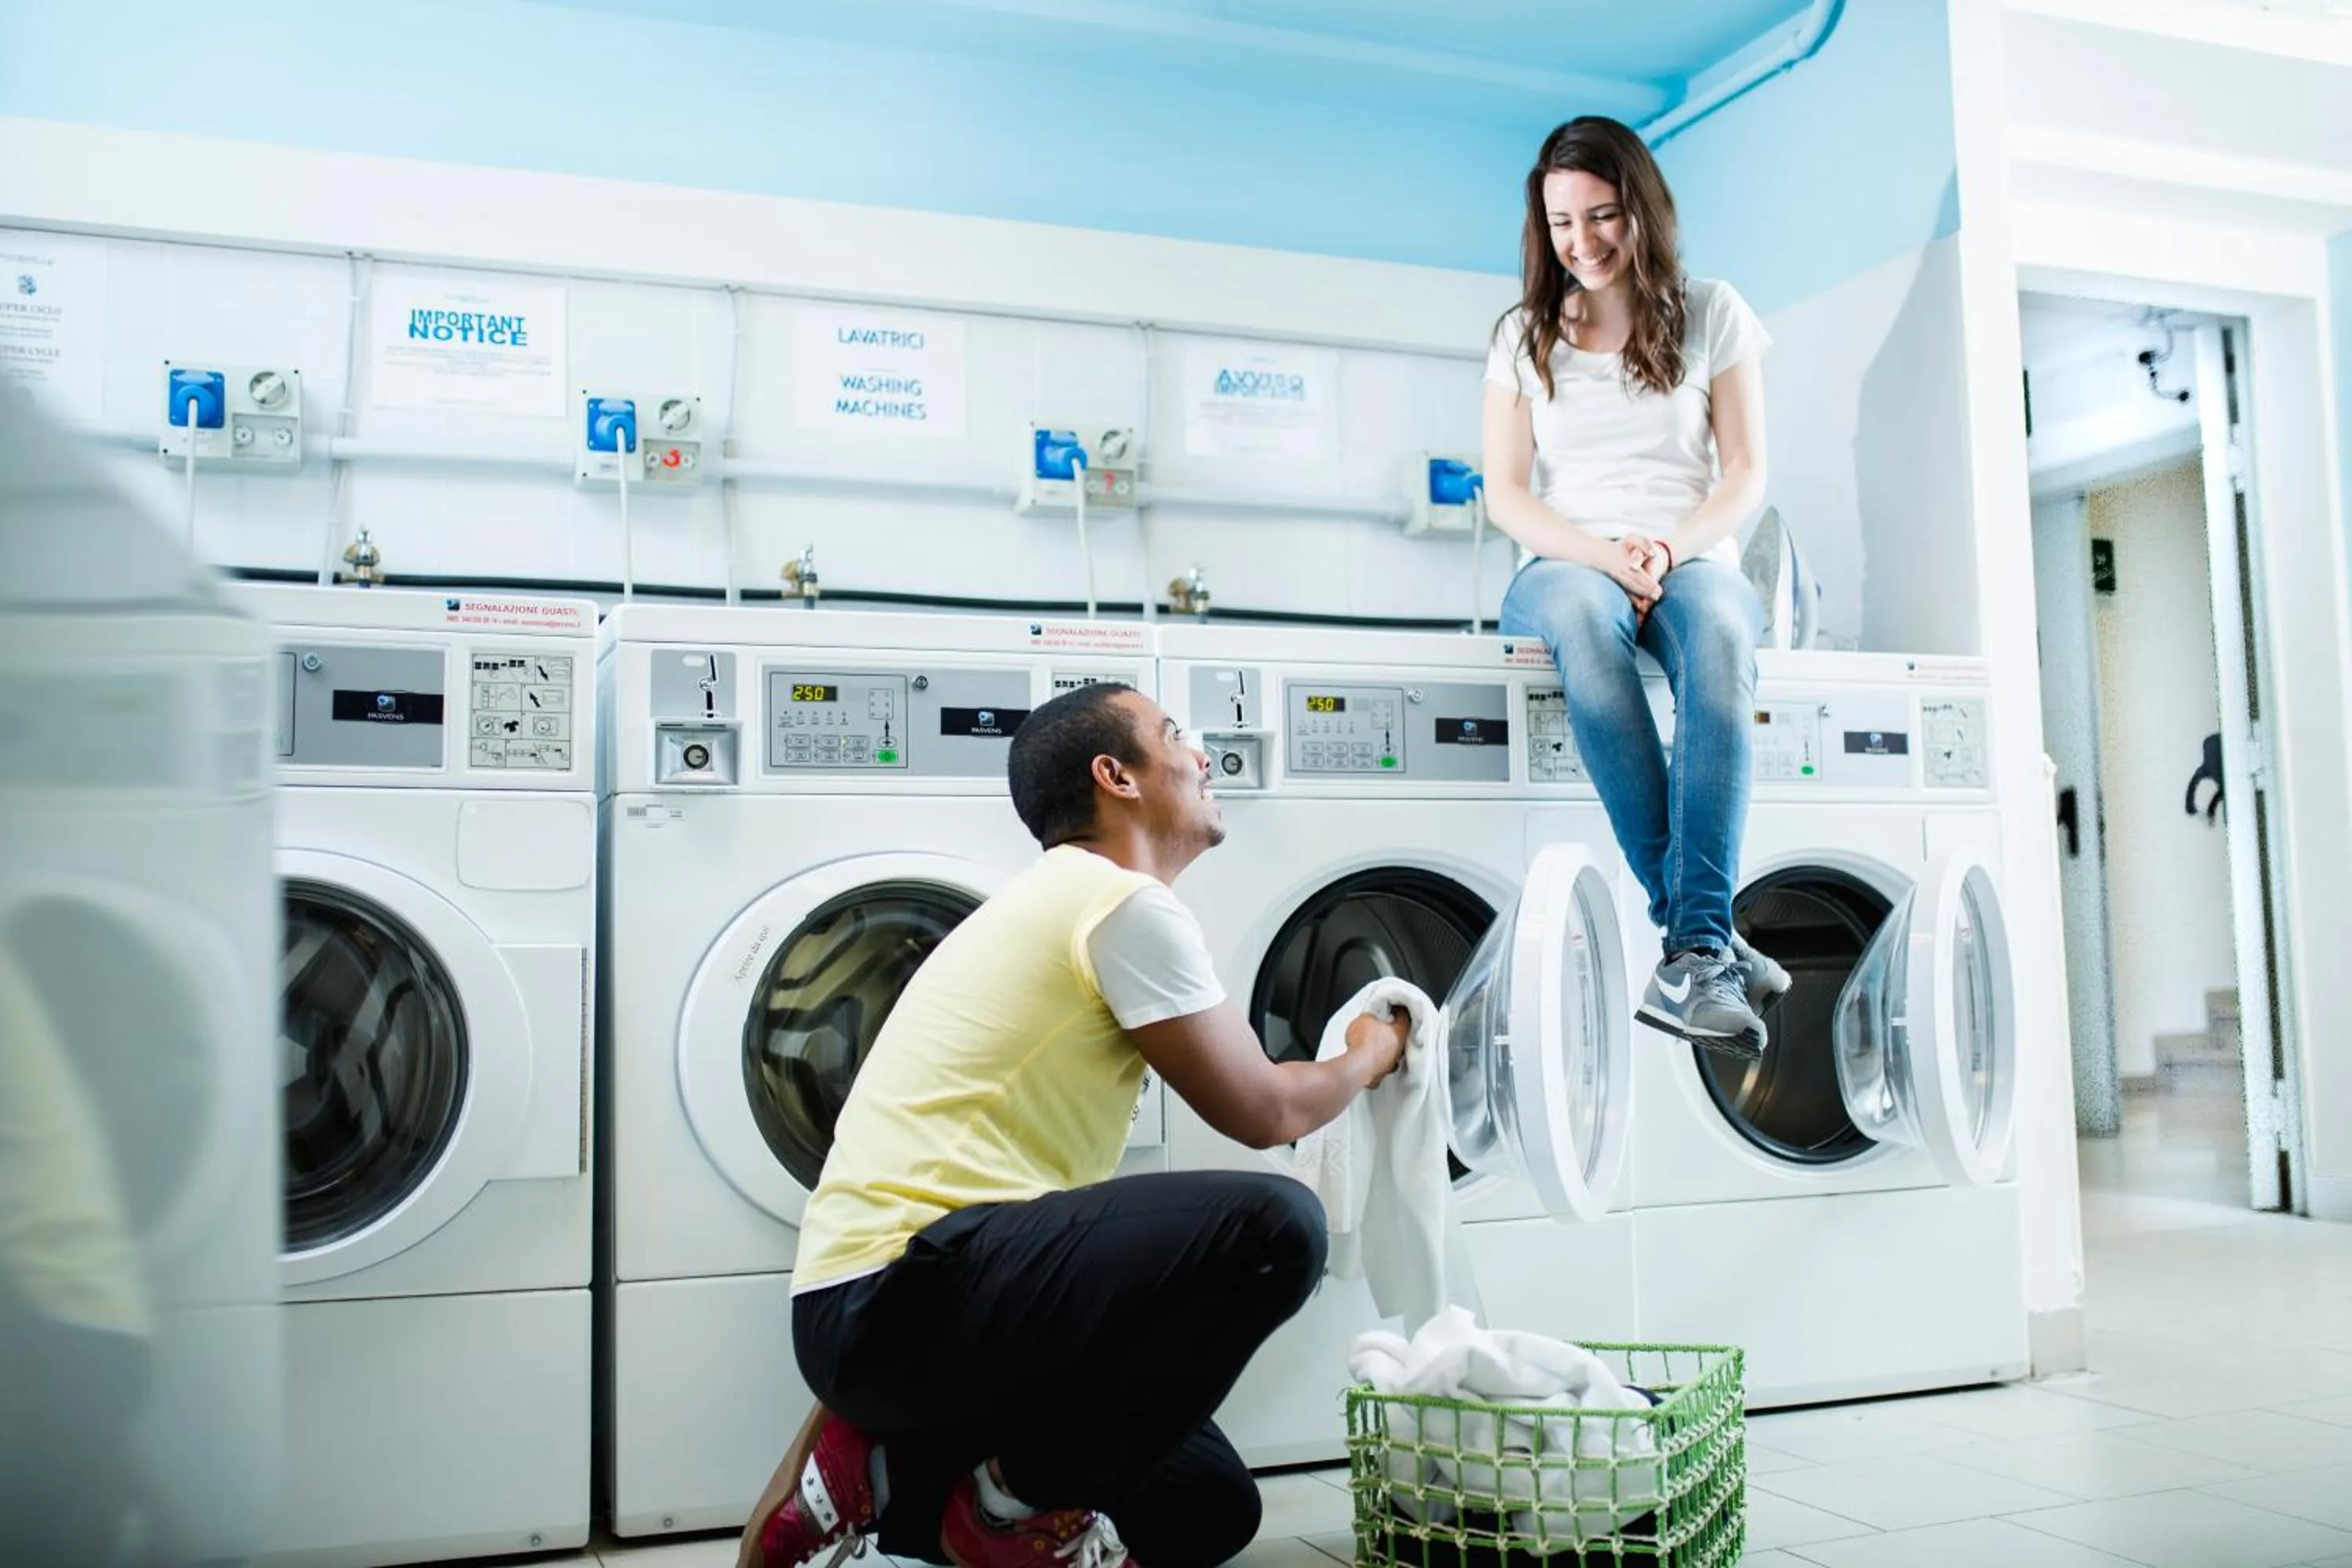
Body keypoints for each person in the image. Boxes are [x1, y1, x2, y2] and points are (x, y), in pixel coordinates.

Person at [742, 681, 1410, 1568]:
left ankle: (874, 1479)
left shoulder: (1066, 899)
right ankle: (1005, 1507)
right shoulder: (1116, 902)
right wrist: (1373, 1050)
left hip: (916, 1315)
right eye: (1175, 734)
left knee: (1207, 1507)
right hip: (897, 1302)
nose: (1204, 755)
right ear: (1116, 776)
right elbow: (1266, 1110)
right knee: (1273, 1229)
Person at [1482, 115, 1791, 1058]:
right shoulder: (1524, 334)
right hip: (1565, 561)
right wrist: (1602, 554)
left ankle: (1694, 946)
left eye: (1604, 215)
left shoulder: (1714, 311)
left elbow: (1745, 472)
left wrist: (1665, 547)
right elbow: (1505, 493)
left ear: (1643, 209)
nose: (1584, 242)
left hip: (1691, 551)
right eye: (1563, 222)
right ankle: (1706, 937)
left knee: (1725, 640)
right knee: (1582, 625)